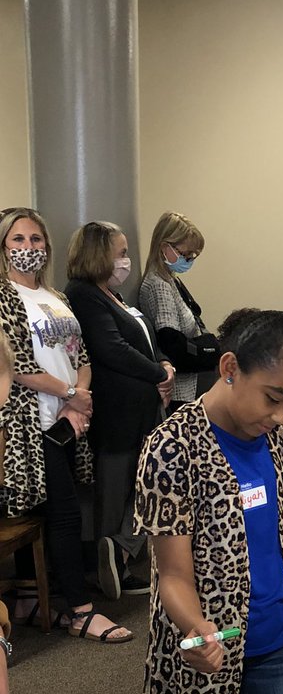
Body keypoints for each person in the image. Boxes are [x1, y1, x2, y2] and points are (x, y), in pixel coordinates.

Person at [135, 308, 283, 694]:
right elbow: (174, 575)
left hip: (275, 641)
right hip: (209, 650)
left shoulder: (279, 439)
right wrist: (196, 629)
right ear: (230, 368)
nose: (282, 416)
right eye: (273, 399)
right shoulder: (171, 447)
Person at [0, 207, 131, 643]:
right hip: (29, 423)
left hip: (66, 419)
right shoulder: (2, 297)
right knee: (62, 515)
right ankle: (80, 611)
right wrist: (69, 394)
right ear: (3, 246)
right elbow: (14, 363)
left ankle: (32, 599)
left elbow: (82, 355)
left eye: (35, 240)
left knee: (62, 509)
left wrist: (80, 400)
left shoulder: (56, 295)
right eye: (17, 240)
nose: (27, 249)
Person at [66, 221, 175, 601]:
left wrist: (164, 364)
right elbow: (111, 349)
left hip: (142, 409)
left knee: (146, 484)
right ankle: (111, 564)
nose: (127, 260)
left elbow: (146, 341)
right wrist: (158, 371)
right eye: (122, 251)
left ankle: (120, 551)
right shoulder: (83, 295)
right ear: (99, 254)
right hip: (116, 413)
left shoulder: (114, 294)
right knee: (116, 490)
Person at [139, 210, 219, 409]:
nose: (189, 260)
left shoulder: (171, 279)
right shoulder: (158, 284)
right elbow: (171, 344)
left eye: (193, 256)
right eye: (185, 255)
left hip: (191, 385)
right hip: (181, 392)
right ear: (165, 246)